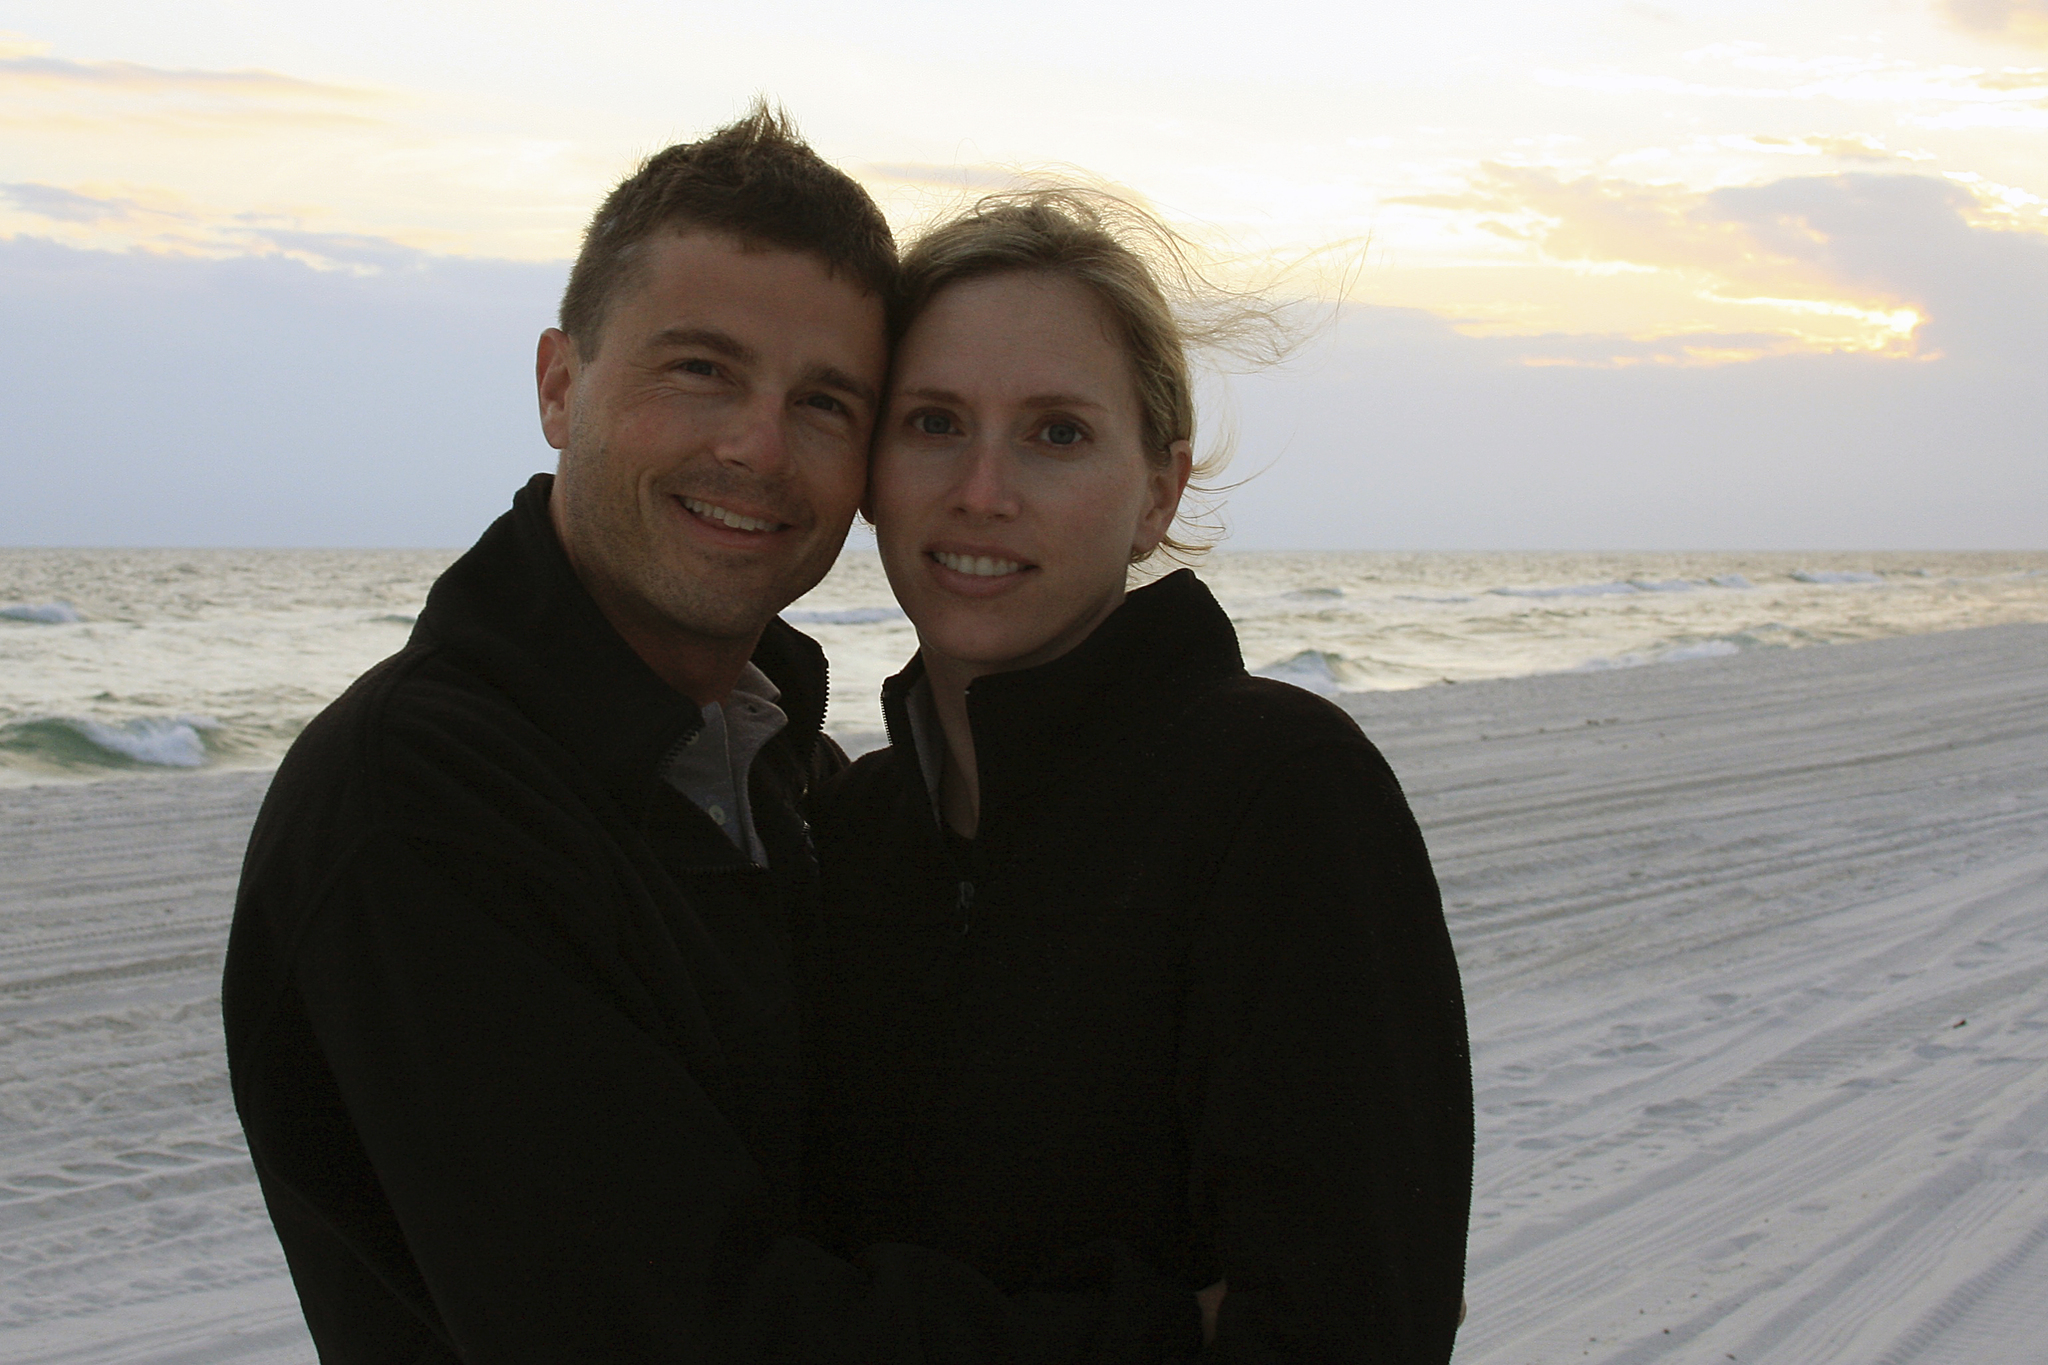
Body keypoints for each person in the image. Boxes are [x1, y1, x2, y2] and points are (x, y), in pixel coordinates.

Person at [223, 111, 1195, 1362]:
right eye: (700, 370)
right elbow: (665, 1328)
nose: (755, 448)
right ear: (559, 382)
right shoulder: (417, 802)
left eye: (826, 402)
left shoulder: (788, 778)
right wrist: (1173, 1332)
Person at [799, 190, 1474, 1361]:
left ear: (1157, 492)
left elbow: (1352, 1320)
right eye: (933, 422)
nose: (981, 491)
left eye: (1057, 432)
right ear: (871, 468)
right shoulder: (842, 836)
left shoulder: (1279, 797)